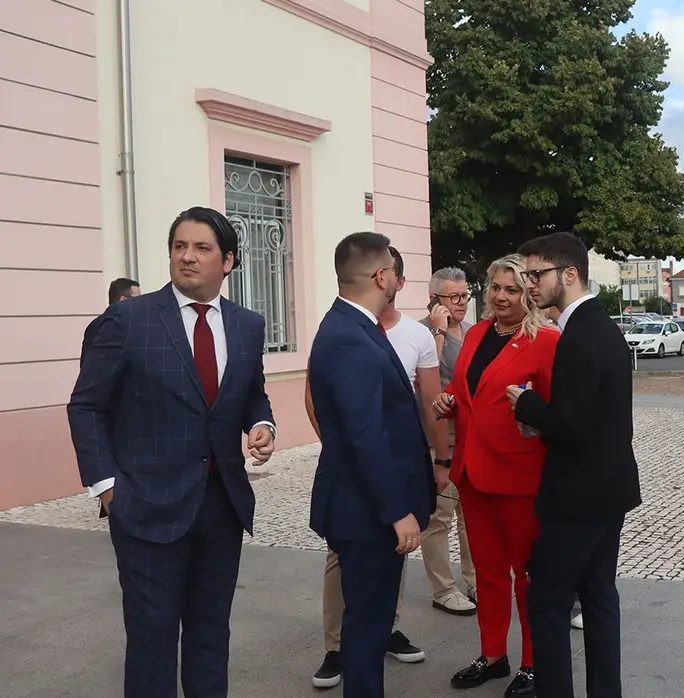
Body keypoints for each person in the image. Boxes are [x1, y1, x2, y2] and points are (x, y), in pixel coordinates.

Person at [67, 206, 276, 698]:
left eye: (202, 248)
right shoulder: (128, 320)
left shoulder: (247, 325)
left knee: (211, 637)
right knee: (152, 642)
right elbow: (86, 405)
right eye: (179, 246)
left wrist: (261, 422)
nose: (187, 256)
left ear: (228, 261)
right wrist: (108, 487)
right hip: (145, 510)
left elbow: (251, 392)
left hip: (220, 507)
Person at [507, 231, 642, 698]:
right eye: (526, 275)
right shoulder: (597, 327)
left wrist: (526, 405)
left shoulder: (580, 335)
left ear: (569, 274)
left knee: (547, 600)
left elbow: (572, 423)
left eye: (536, 274)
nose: (529, 285)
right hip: (608, 490)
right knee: (600, 597)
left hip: (578, 497)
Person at [305, 247, 442, 688]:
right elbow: (365, 434)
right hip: (366, 512)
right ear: (382, 276)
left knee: (371, 622)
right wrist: (396, 510)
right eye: (395, 272)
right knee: (366, 627)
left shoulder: (355, 326)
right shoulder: (349, 335)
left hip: (366, 506)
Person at [431, 254, 558, 697]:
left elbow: (555, 409)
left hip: (519, 475)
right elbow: (465, 387)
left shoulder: (545, 341)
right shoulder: (477, 333)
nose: (502, 297)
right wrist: (447, 399)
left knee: (526, 575)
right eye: (496, 289)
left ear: (529, 294)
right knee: (486, 572)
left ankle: (532, 662)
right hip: (472, 471)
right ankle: (493, 654)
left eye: (513, 289)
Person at [420, 266, 479, 616]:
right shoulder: (421, 332)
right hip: (439, 442)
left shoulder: (472, 332)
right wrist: (438, 330)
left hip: (471, 439)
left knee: (470, 516)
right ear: (434, 301)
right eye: (453, 297)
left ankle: (475, 579)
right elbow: (425, 376)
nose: (461, 303)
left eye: (464, 296)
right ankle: (443, 588)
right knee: (439, 518)